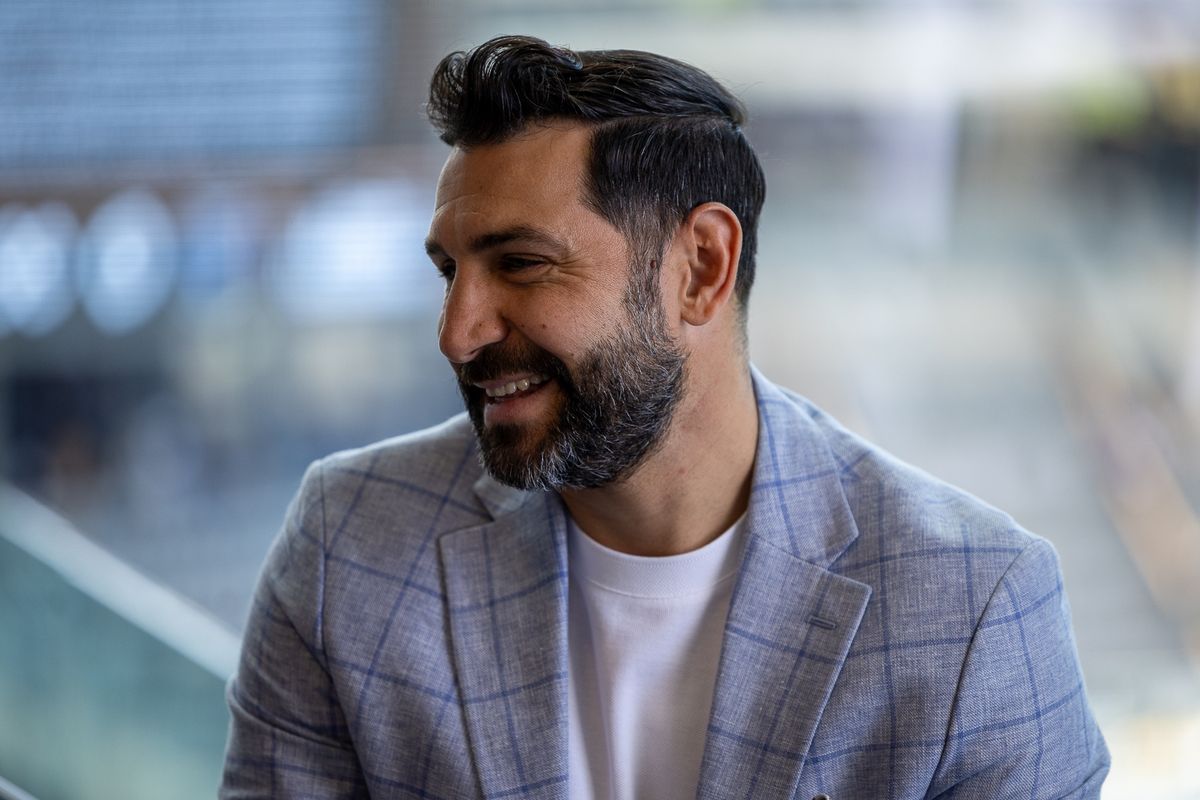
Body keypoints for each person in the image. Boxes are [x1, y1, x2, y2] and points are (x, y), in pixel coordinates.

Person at [220, 35, 1109, 799]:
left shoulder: (974, 609)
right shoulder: (350, 546)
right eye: (449, 272)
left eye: (521, 265)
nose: (457, 333)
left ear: (700, 267)